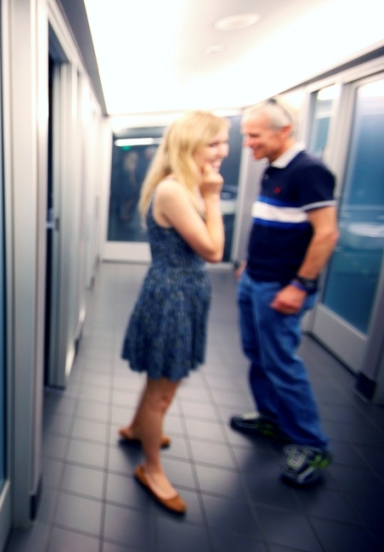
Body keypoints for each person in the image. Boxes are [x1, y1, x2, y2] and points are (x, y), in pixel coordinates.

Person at [119, 111, 229, 514]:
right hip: (173, 296)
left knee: (159, 377)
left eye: (224, 142)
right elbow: (214, 250)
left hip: (183, 292)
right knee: (162, 392)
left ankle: (135, 430)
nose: (223, 152)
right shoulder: (173, 191)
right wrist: (214, 197)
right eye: (213, 143)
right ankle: (151, 470)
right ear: (189, 146)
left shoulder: (185, 185)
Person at [231, 97, 339, 486]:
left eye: (254, 136)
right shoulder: (271, 167)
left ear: (284, 131)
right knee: (256, 353)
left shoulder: (309, 171)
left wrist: (300, 285)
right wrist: (248, 262)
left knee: (281, 362)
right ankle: (272, 418)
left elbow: (326, 234)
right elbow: (273, 224)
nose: (248, 144)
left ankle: (312, 446)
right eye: (246, 135)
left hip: (282, 286)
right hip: (256, 277)